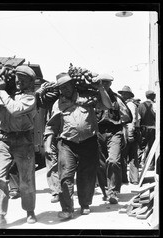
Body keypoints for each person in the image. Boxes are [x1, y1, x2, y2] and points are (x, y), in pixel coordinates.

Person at [44, 72, 112, 220]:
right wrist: (48, 145)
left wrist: (101, 89)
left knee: (87, 175)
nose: (65, 89)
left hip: (89, 142)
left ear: (73, 85)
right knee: (66, 176)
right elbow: (51, 126)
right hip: (67, 144)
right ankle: (67, 208)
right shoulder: (58, 104)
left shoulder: (88, 97)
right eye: (62, 87)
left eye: (67, 85)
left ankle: (85, 204)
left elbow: (108, 105)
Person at [0, 65, 38, 228]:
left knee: (26, 179)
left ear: (30, 82)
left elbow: (16, 110)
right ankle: (0, 215)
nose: (19, 81)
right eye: (18, 77)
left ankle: (30, 210)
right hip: (4, 140)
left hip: (23, 141)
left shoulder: (30, 97)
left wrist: (2, 91)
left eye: (24, 79)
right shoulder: (6, 94)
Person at [95, 74, 132, 205]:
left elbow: (127, 116)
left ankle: (114, 192)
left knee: (114, 160)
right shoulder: (94, 98)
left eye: (107, 83)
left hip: (114, 131)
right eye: (102, 82)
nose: (104, 85)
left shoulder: (117, 98)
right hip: (98, 132)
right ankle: (105, 190)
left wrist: (121, 125)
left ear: (110, 84)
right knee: (99, 164)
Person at [118, 86, 140, 185]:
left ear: (127, 95)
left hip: (128, 131)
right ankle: (132, 178)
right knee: (131, 155)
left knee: (126, 155)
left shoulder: (130, 105)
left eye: (124, 93)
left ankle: (127, 178)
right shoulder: (131, 104)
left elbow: (132, 120)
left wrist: (130, 134)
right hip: (130, 131)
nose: (122, 95)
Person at [138, 90, 156, 170]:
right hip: (153, 129)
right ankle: (151, 165)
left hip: (143, 129)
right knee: (152, 147)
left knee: (141, 147)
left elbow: (138, 118)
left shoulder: (141, 105)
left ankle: (137, 163)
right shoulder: (155, 105)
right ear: (153, 96)